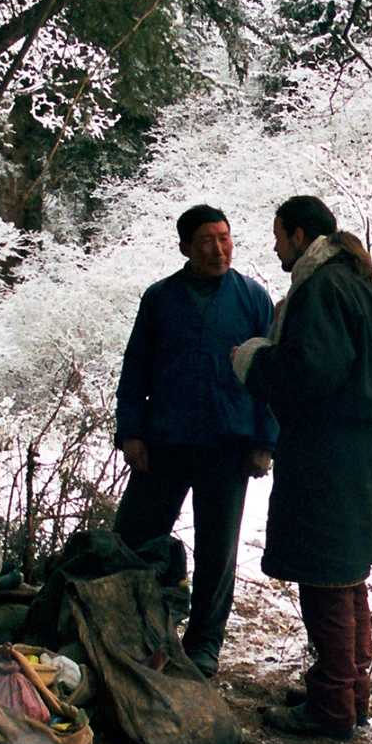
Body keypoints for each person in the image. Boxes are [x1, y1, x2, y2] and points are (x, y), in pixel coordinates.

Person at [232, 196, 372, 739]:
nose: (274, 246)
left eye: (279, 236)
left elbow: (312, 372)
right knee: (348, 576)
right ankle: (345, 691)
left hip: (329, 450)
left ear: (299, 234)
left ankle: (332, 707)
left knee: (327, 579)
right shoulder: (362, 283)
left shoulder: (323, 287)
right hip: (360, 447)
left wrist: (254, 358)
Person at [112, 204, 278, 677]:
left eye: (224, 238)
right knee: (136, 539)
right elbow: (135, 367)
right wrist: (131, 431)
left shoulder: (251, 298)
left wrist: (266, 441)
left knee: (217, 551)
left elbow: (268, 374)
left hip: (228, 443)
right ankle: (128, 628)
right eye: (207, 240)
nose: (218, 249)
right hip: (163, 441)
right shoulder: (160, 298)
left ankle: (204, 646)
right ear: (185, 247)